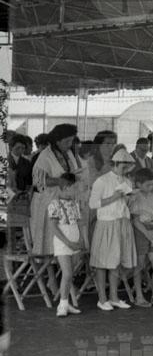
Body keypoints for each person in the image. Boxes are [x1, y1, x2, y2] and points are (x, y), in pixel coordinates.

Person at [30, 124, 81, 294]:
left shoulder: (69, 153)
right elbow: (38, 181)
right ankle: (52, 278)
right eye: (67, 141)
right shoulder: (45, 156)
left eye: (71, 141)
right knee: (50, 242)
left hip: (67, 201)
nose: (69, 144)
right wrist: (60, 181)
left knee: (66, 239)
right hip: (49, 202)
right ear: (57, 140)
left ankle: (66, 280)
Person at [89, 145, 136, 311]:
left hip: (122, 222)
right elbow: (93, 204)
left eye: (128, 166)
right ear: (115, 164)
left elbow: (126, 203)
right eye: (123, 166)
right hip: (107, 223)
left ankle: (114, 297)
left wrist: (129, 198)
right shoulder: (102, 181)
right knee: (103, 262)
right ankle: (102, 299)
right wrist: (114, 197)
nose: (126, 169)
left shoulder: (127, 181)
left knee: (116, 261)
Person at [129, 168, 153, 307]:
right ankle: (139, 296)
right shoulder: (135, 197)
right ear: (138, 184)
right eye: (147, 185)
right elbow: (135, 220)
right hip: (141, 230)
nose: (150, 187)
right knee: (139, 265)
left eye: (152, 184)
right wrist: (148, 234)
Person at [48, 172, 83, 317]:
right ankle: (62, 305)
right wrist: (68, 242)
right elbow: (53, 227)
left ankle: (66, 303)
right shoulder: (54, 204)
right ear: (67, 187)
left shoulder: (75, 203)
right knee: (67, 273)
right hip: (63, 243)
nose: (77, 190)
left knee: (70, 275)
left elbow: (79, 223)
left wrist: (81, 241)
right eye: (75, 187)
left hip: (75, 241)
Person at [7, 134, 33, 232]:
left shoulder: (27, 163)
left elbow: (29, 181)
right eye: (18, 148)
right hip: (6, 198)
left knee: (21, 226)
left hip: (21, 198)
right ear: (11, 147)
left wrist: (27, 193)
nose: (21, 150)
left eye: (23, 148)